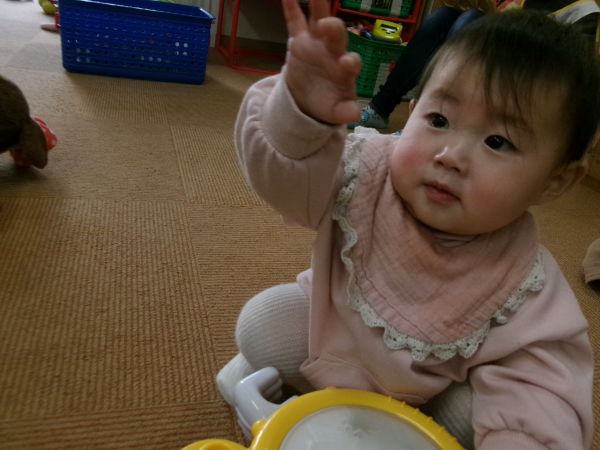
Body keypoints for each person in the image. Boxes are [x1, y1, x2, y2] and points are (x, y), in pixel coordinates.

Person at [217, 1, 600, 448]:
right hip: (331, 334)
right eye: (438, 120)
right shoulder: (366, 169)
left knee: (471, 417)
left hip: (432, 391)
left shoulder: (524, 281)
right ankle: (261, 374)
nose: (450, 156)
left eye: (497, 142)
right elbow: (286, 178)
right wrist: (301, 117)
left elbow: (542, 385)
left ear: (556, 181)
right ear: (414, 108)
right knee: (262, 323)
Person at [351, 0, 600, 129]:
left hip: (519, 78)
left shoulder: (584, 10)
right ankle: (380, 109)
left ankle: (434, 123)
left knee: (468, 20)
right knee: (443, 17)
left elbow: (569, 73)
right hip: (488, 60)